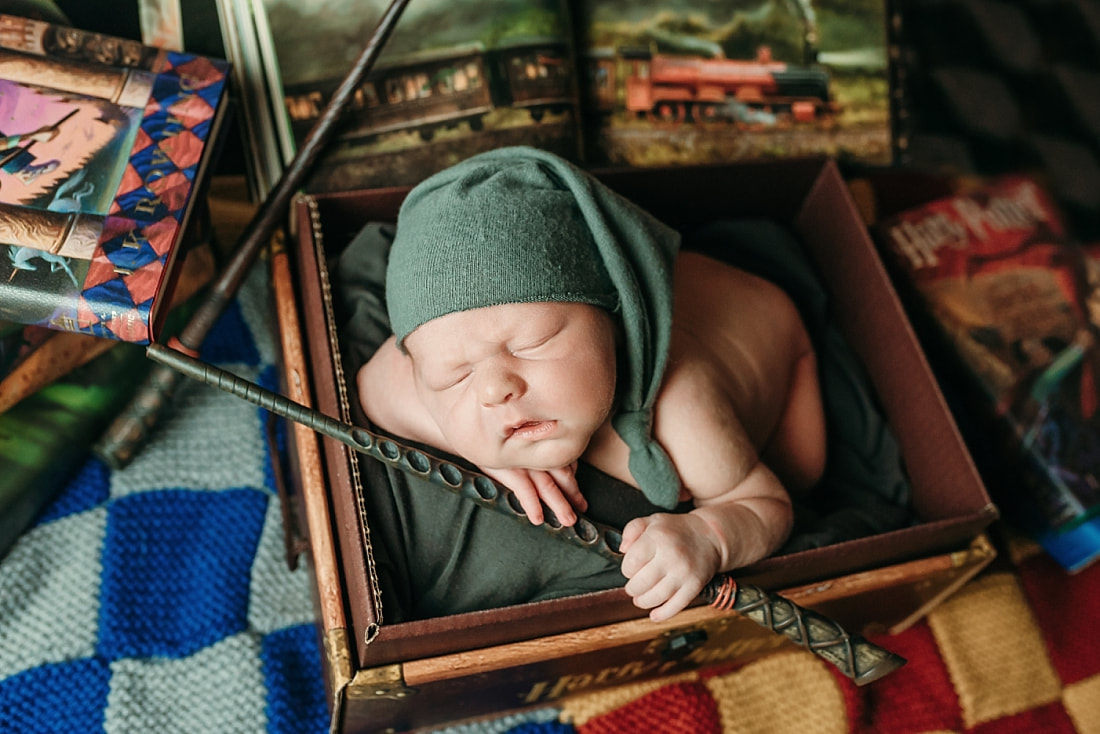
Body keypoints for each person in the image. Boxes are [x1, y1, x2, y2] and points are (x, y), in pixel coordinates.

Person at [357, 146, 826, 622]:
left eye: (531, 343)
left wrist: (708, 536)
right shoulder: (451, 340)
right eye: (455, 376)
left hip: (774, 326)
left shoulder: (682, 418)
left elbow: (765, 503)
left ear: (615, 321)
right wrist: (483, 451)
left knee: (804, 472)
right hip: (693, 289)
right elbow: (374, 384)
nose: (494, 389)